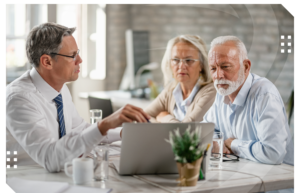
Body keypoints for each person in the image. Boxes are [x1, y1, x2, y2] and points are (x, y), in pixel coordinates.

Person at [5, 23, 150, 173]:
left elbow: (80, 129)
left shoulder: (60, 89)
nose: (80, 60)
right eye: (72, 55)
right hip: (26, 178)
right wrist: (104, 124)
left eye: (78, 53)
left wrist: (122, 133)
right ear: (47, 62)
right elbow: (50, 158)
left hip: (55, 175)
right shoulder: (18, 99)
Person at [203, 36, 295, 166]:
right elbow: (205, 131)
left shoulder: (264, 94)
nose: (218, 75)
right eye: (213, 68)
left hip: (279, 181)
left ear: (246, 67)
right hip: (244, 174)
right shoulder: (222, 92)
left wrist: (232, 144)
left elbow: (273, 153)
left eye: (225, 66)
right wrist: (217, 143)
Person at [145, 35, 216, 122]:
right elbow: (142, 117)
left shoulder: (211, 92)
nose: (181, 66)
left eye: (189, 60)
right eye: (175, 60)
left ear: (201, 64)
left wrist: (164, 117)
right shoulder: (171, 90)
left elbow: (186, 130)